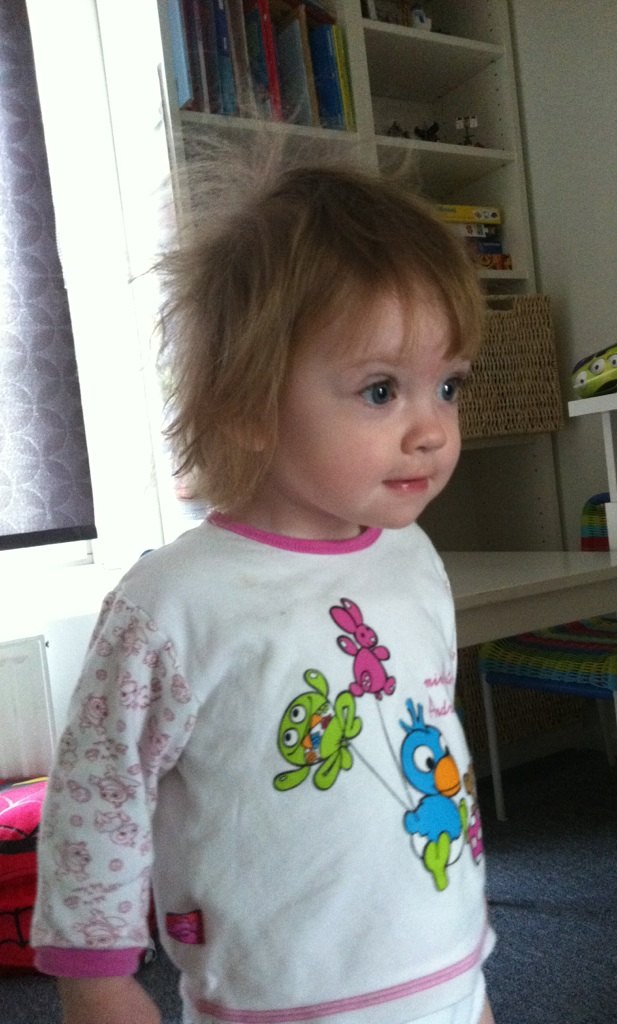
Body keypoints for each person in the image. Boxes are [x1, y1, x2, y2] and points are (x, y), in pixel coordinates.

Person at [31, 156, 496, 1024]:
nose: (432, 429)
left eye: (447, 386)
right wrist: (95, 976)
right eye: (382, 390)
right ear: (247, 404)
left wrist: (469, 986)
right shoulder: (172, 604)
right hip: (277, 1000)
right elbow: (99, 799)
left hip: (447, 978)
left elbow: (430, 741)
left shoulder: (413, 557)